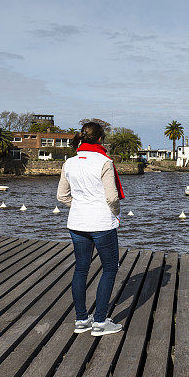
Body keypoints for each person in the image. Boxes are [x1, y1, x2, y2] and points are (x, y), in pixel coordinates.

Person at [57, 121, 125, 336]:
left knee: (81, 268)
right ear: (100, 139)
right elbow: (112, 196)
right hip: (101, 222)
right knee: (110, 268)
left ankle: (81, 320)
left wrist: (78, 205)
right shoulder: (104, 161)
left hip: (77, 222)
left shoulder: (69, 163)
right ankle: (100, 322)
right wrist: (116, 213)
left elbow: (61, 196)